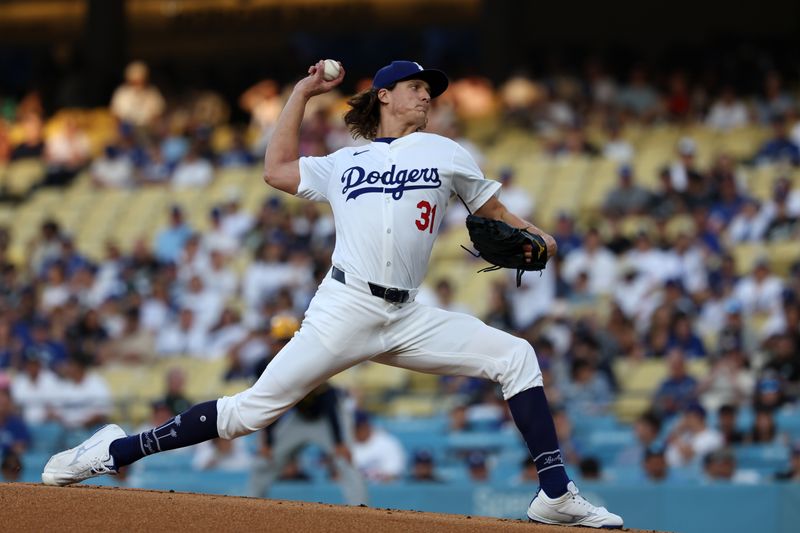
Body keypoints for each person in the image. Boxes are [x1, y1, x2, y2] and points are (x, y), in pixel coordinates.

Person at [41, 59, 622, 529]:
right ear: (386, 96)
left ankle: (555, 494)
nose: (427, 97)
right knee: (250, 414)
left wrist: (535, 233)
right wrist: (301, 92)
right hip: (345, 307)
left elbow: (493, 211)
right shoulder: (345, 161)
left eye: (430, 91)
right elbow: (275, 169)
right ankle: (112, 452)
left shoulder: (447, 153)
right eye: (416, 88)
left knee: (515, 356)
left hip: (407, 313)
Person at [248, 316, 366, 505]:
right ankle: (250, 506)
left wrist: (339, 441)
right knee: (265, 460)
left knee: (344, 460)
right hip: (300, 416)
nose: (282, 346)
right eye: (279, 341)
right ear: (271, 342)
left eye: (287, 341)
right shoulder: (262, 366)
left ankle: (362, 510)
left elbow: (328, 400)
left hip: (328, 416)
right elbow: (268, 404)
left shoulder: (308, 360)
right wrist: (268, 440)